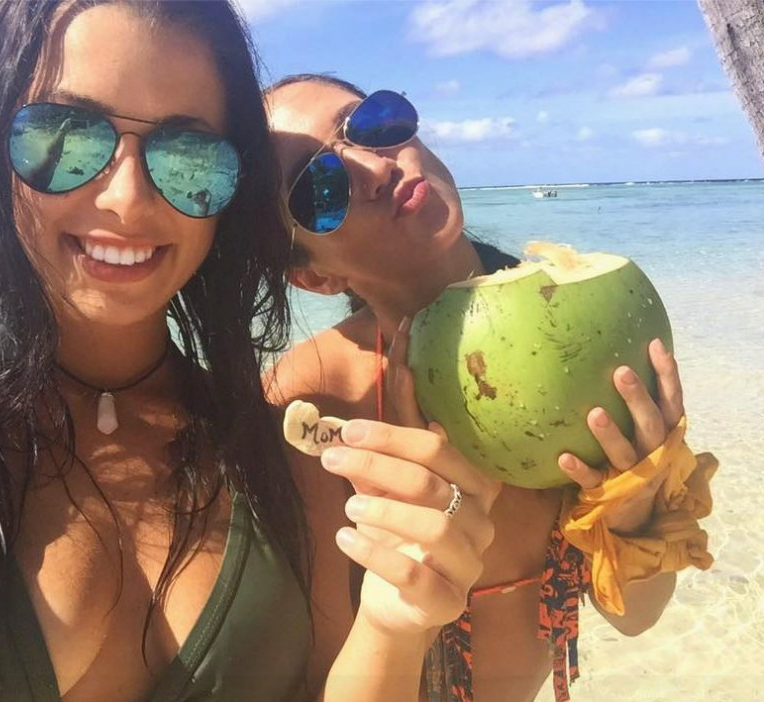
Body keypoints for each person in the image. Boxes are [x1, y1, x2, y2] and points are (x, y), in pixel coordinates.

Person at [0, 5, 498, 701]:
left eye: (188, 153)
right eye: (65, 135)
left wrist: (392, 626)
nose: (128, 200)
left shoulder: (278, 451)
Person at [265, 75, 715, 702]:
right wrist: (400, 611)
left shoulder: (579, 335)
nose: (374, 167)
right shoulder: (315, 407)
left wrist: (636, 501)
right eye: (318, 186)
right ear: (312, 276)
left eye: (371, 124)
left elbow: (634, 617)